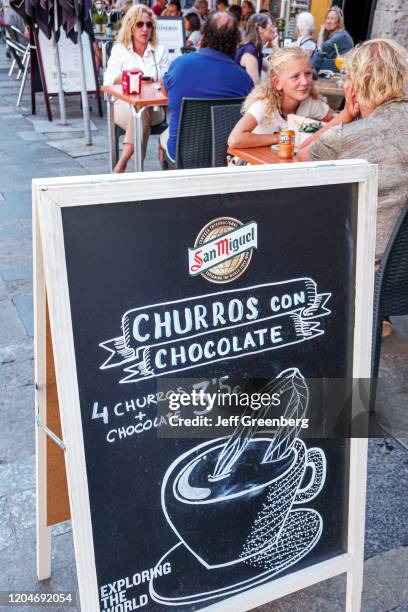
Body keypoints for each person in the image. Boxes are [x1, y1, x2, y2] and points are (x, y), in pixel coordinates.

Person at [298, 39, 408, 274]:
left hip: (367, 270)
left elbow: (303, 154)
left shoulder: (346, 137)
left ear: (357, 85)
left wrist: (346, 115)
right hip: (399, 275)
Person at [160, 11, 254, 164]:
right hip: (223, 157)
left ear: (203, 35)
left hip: (182, 155)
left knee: (163, 140)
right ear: (236, 42)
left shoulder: (180, 64)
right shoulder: (244, 80)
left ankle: (172, 180)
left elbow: (165, 90)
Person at [103, 5, 169, 172]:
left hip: (154, 108)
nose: (145, 29)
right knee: (137, 114)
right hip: (122, 106)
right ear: (131, 27)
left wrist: (153, 79)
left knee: (141, 111)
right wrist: (127, 77)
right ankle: (135, 168)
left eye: (149, 25)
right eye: (140, 24)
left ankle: (121, 163)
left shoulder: (159, 51)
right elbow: (108, 80)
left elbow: (168, 79)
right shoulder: (120, 50)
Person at [228, 47, 331, 149]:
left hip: (284, 162)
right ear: (277, 83)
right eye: (295, 76)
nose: (304, 82)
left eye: (308, 73)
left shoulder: (309, 102)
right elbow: (235, 140)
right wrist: (284, 137)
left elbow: (336, 123)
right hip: (251, 163)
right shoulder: (264, 105)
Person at [235, 13, 278, 85]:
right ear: (260, 29)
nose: (274, 30)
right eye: (271, 26)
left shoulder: (255, 50)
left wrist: (275, 44)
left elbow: (273, 71)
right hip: (243, 96)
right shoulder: (250, 52)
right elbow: (255, 88)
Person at [311, 6, 353, 74]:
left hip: (341, 72)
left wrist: (321, 32)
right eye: (327, 18)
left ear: (339, 22)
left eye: (332, 19)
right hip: (332, 71)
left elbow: (321, 48)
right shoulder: (330, 34)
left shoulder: (341, 35)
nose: (328, 21)